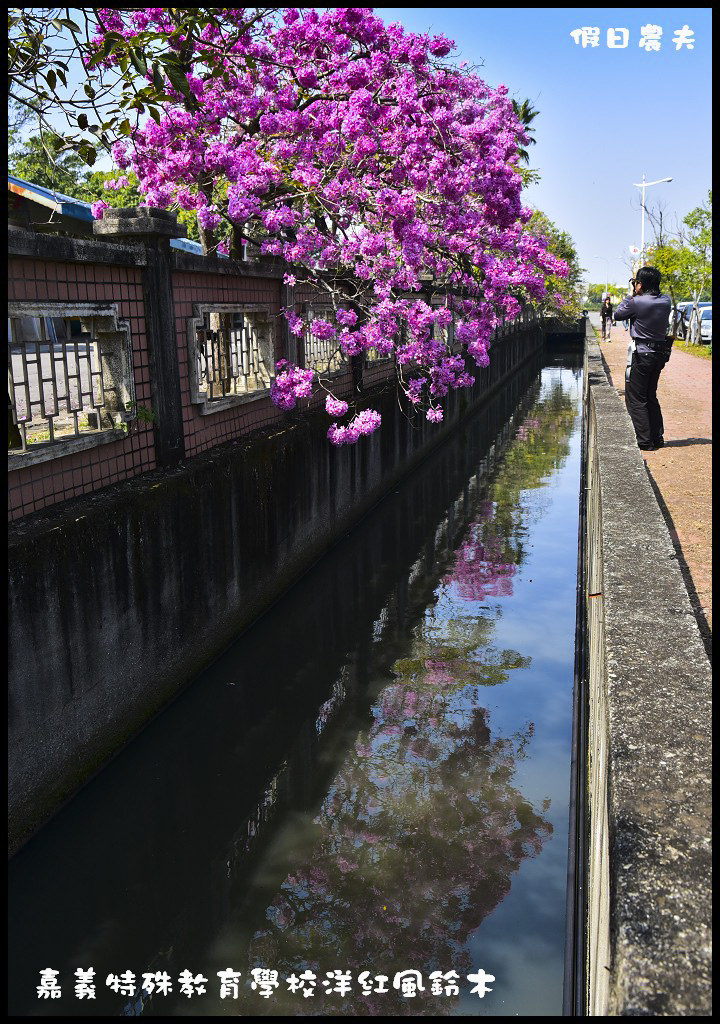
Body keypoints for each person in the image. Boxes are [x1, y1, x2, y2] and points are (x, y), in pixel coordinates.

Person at [613, 266, 672, 451]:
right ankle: (657, 437)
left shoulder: (636, 302)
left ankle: (644, 441)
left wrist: (631, 295)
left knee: (636, 398)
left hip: (642, 353)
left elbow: (618, 314)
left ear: (641, 284)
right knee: (650, 395)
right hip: (659, 354)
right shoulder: (665, 300)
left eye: (637, 281)